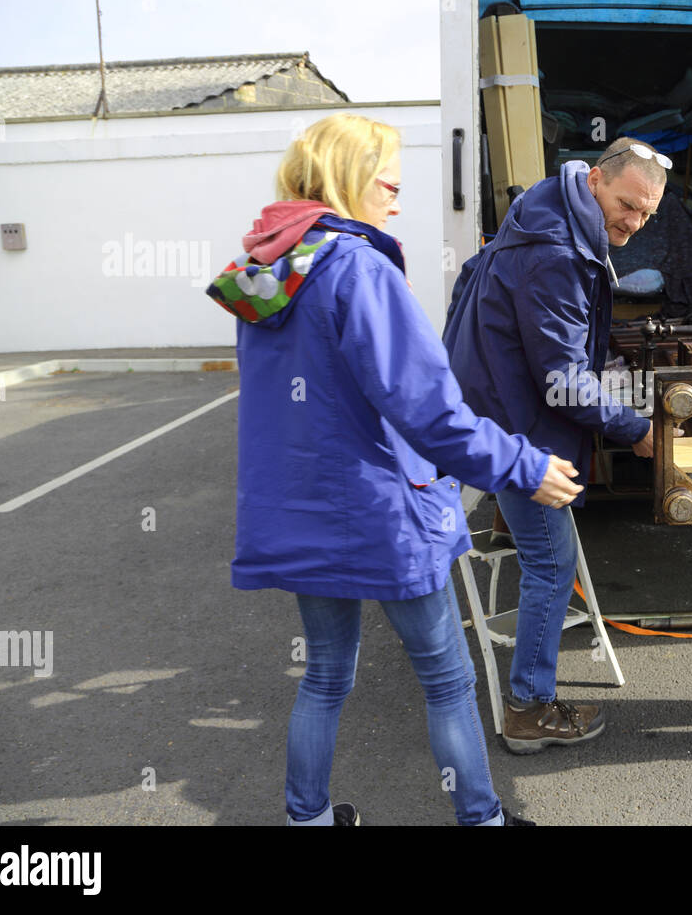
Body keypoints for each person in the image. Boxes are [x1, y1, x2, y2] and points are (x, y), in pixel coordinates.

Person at [205, 112, 583, 824]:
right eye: (389, 183)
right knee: (446, 676)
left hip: (298, 509)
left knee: (324, 674)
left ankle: (308, 818)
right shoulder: (358, 268)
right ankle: (482, 819)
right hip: (381, 514)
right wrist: (521, 463)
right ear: (349, 178)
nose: (397, 200)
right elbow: (430, 414)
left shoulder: (266, 272)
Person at [442, 137, 666, 753]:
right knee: (553, 565)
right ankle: (529, 710)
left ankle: (510, 522)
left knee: (544, 551)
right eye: (627, 204)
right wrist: (635, 428)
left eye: (646, 214)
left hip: (490, 407)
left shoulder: (542, 207)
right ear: (595, 179)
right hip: (517, 428)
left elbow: (471, 287)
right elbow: (562, 381)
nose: (633, 222)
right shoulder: (557, 252)